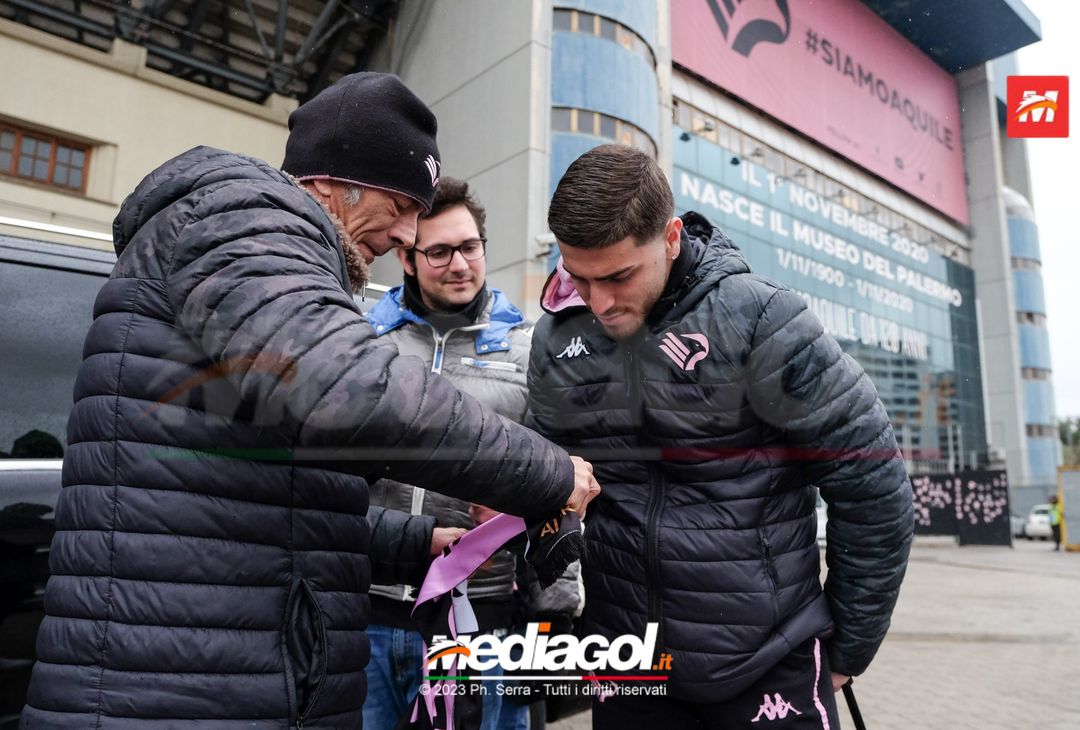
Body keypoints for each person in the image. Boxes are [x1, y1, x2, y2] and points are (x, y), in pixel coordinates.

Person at [20, 73, 599, 729]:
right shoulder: (247, 217)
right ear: (333, 180)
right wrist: (548, 474)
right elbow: (347, 391)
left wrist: (417, 542)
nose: (407, 236)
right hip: (176, 689)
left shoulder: (271, 267)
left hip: (217, 671)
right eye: (402, 205)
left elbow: (274, 494)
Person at [527, 144, 914, 729]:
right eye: (578, 277)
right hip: (629, 666)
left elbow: (873, 484)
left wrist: (849, 649)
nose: (599, 301)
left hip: (769, 663)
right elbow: (544, 483)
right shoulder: (557, 339)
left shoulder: (763, 320)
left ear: (671, 238)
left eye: (618, 276)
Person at [362, 178, 579, 729]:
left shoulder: (529, 351)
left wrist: (553, 614)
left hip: (481, 625)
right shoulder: (362, 342)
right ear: (406, 259)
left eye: (470, 246)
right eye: (439, 251)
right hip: (367, 615)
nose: (460, 265)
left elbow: (566, 485)